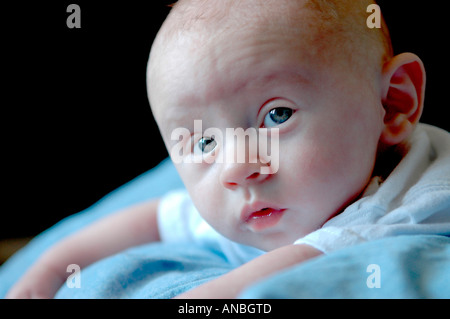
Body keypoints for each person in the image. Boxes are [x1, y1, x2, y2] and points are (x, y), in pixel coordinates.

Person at [7, 0, 450, 299]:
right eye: (204, 141)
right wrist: (46, 275)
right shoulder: (259, 194)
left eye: (277, 116)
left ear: (392, 103)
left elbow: (238, 290)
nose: (236, 167)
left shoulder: (410, 203)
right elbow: (152, 218)